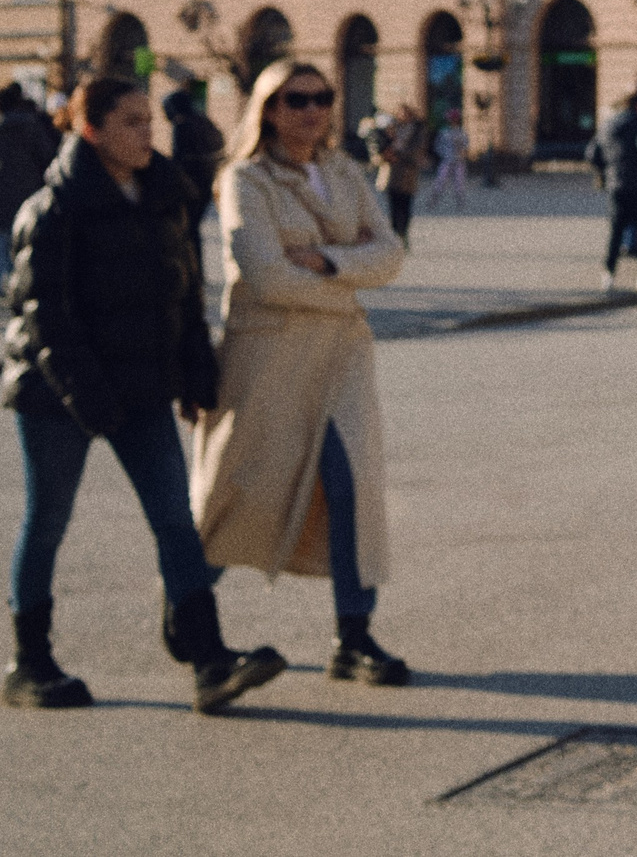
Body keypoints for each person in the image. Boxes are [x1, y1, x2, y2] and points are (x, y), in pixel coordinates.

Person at [4, 74, 287, 713]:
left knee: (173, 519)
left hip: (139, 386)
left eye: (147, 120)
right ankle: (31, 662)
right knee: (47, 520)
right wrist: (89, 400)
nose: (145, 133)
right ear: (90, 129)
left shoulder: (164, 194)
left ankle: (210, 662)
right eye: (129, 122)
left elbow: (182, 293)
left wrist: (194, 374)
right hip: (53, 391)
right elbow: (47, 319)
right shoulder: (52, 210)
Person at [191, 60, 413, 686]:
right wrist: (349, 277)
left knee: (351, 493)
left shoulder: (343, 171)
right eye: (296, 100)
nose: (312, 111)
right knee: (238, 492)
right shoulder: (245, 180)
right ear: (268, 108)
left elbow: (391, 254)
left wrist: (325, 262)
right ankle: (184, 606)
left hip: (340, 354)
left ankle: (355, 636)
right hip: (268, 357)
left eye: (322, 98)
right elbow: (262, 274)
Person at [588, 79, 637, 292]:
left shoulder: (609, 123)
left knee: (616, 231)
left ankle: (609, 275)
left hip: (616, 184)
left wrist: (605, 173)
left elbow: (592, 153)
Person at [162, 87, 226, 236]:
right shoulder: (203, 120)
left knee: (188, 228)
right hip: (206, 181)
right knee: (194, 227)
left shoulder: (182, 125)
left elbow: (179, 157)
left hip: (190, 182)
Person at [0, 83, 60, 238]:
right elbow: (49, 156)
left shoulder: (4, 129)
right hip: (32, 194)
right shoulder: (33, 126)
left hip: (4, 199)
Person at [373, 103, 427, 239]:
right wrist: (385, 153)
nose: (402, 116)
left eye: (405, 113)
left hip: (408, 174)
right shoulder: (391, 129)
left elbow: (416, 151)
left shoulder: (417, 130)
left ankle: (403, 234)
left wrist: (398, 154)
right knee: (393, 207)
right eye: (400, 113)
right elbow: (381, 146)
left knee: (405, 206)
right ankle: (395, 235)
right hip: (392, 174)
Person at [424, 109, 469, 211]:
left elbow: (466, 146)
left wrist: (462, 152)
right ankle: (433, 200)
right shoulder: (444, 132)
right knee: (440, 180)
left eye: (455, 119)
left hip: (459, 161)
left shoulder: (462, 132)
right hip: (447, 160)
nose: (454, 121)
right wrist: (443, 154)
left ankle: (460, 202)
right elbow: (437, 145)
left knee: (459, 182)